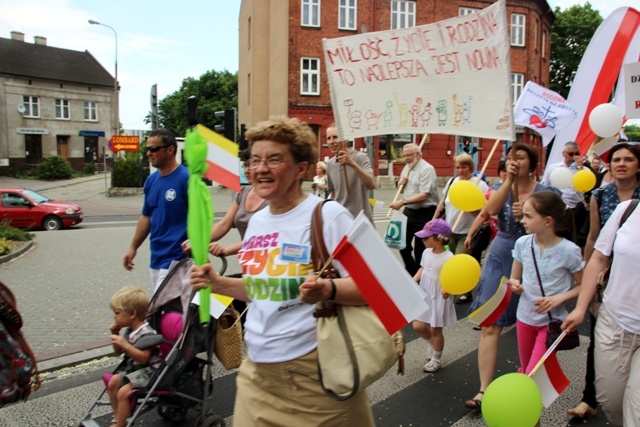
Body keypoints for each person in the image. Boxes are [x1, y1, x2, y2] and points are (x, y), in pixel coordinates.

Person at [191, 116, 375, 426]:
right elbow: (258, 288)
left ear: (301, 168)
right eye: (255, 159)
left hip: (314, 375)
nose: (260, 168)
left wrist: (328, 290)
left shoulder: (328, 215)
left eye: (274, 159)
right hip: (256, 372)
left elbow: (374, 287)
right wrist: (218, 283)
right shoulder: (259, 222)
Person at [464, 144, 559, 410]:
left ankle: (530, 384)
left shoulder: (546, 192)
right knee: (491, 325)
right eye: (511, 157)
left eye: (521, 157)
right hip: (501, 255)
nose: (515, 161)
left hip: (534, 258)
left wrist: (529, 213)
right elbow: (490, 210)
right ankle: (484, 389)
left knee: (534, 324)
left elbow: (558, 225)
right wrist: (508, 180)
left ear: (532, 163)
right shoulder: (502, 187)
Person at [568, 142, 640, 419]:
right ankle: (591, 397)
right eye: (616, 159)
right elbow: (595, 239)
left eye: (629, 159)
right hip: (609, 283)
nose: (621, 164)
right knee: (611, 396)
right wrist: (586, 277)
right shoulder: (605, 196)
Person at [509, 191, 583, 375]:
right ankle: (530, 403)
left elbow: (583, 286)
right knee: (526, 370)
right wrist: (515, 284)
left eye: (528, 216)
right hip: (524, 318)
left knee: (534, 373)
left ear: (547, 221)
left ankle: (534, 402)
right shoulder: (522, 244)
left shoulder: (569, 250)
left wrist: (560, 298)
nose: (522, 220)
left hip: (550, 323)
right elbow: (514, 277)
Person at [123, 129, 188, 293]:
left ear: (170, 149)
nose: (148, 153)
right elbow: (146, 217)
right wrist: (133, 247)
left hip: (177, 258)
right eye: (147, 149)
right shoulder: (151, 180)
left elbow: (201, 218)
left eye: (153, 149)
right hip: (156, 258)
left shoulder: (186, 179)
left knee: (161, 309)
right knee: (163, 311)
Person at [433, 153, 489, 304]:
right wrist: (434, 221)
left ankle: (466, 292)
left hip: (468, 231)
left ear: (470, 168)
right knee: (448, 260)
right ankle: (450, 288)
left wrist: (469, 205)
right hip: (450, 230)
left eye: (463, 167)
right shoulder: (452, 182)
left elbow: (484, 212)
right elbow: (443, 203)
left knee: (460, 260)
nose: (460, 170)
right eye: (458, 167)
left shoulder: (479, 184)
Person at [107, 286, 162, 427]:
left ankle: (121, 424)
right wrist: (117, 335)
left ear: (132, 314)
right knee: (113, 382)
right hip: (136, 369)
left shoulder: (146, 333)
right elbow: (118, 352)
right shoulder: (130, 330)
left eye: (117, 313)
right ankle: (118, 416)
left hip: (150, 371)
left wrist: (126, 345)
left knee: (124, 393)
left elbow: (144, 358)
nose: (115, 317)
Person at [389, 143, 440, 276]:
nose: (406, 158)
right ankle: (412, 271)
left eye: (409, 155)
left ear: (418, 154)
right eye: (404, 155)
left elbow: (424, 195)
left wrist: (403, 202)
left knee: (420, 248)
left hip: (425, 212)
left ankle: (420, 276)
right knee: (400, 244)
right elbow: (402, 191)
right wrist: (400, 184)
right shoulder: (407, 168)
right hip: (409, 211)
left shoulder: (427, 169)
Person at [412, 218, 456, 373]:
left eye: (426, 237)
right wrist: (414, 280)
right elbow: (422, 269)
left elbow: (453, 278)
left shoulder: (449, 257)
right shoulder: (426, 252)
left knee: (435, 329)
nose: (423, 240)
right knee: (418, 325)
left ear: (439, 238)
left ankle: (436, 359)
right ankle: (432, 344)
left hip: (439, 295)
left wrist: (448, 290)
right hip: (425, 291)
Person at [541, 141, 588, 246]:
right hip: (558, 208)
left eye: (577, 154)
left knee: (575, 239)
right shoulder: (553, 168)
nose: (574, 157)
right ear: (563, 154)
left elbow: (586, 188)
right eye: (571, 154)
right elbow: (545, 186)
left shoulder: (584, 171)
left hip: (576, 209)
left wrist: (580, 168)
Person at [326, 123, 375, 221]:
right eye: (329, 138)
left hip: (361, 221)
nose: (331, 141)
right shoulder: (330, 164)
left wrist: (352, 164)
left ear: (345, 139)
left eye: (335, 137)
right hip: (341, 221)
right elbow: (333, 193)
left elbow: (371, 185)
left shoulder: (360, 157)